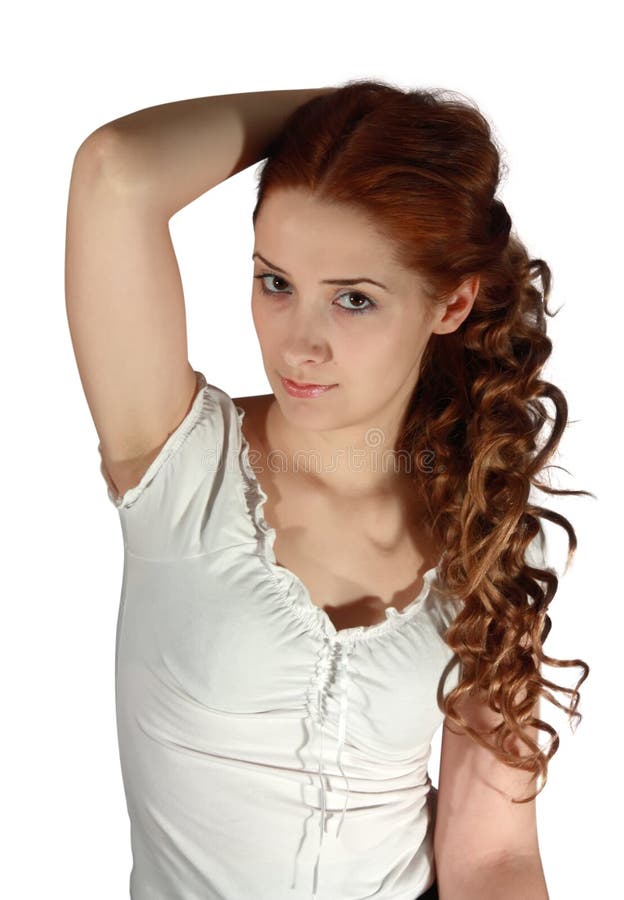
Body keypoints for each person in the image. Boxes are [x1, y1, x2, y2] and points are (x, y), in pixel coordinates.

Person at [65, 79, 590, 899]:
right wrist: (353, 113)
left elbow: (491, 858)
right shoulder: (176, 464)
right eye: (275, 283)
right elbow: (117, 171)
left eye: (352, 299)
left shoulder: (479, 521)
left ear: (450, 302)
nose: (297, 344)